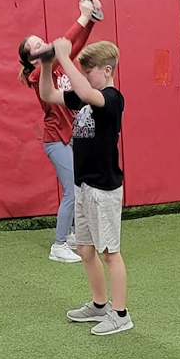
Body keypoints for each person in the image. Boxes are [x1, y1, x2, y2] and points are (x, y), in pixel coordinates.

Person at [37, 37, 131, 335]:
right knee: (85, 249)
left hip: (103, 189)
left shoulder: (112, 99)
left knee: (109, 253)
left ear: (107, 70)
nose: (85, 76)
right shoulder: (85, 99)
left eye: (89, 71)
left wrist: (65, 58)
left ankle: (120, 314)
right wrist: (48, 64)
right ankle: (99, 305)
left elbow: (87, 91)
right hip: (83, 186)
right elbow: (48, 94)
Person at [18, 0, 103, 264]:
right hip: (56, 140)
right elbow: (63, 44)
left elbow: (73, 44)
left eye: (41, 41)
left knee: (81, 186)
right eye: (37, 46)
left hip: (72, 135)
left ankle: (73, 235)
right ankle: (58, 245)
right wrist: (83, 16)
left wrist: (91, 20)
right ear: (33, 59)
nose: (43, 44)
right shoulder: (38, 74)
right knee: (72, 190)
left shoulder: (57, 67)